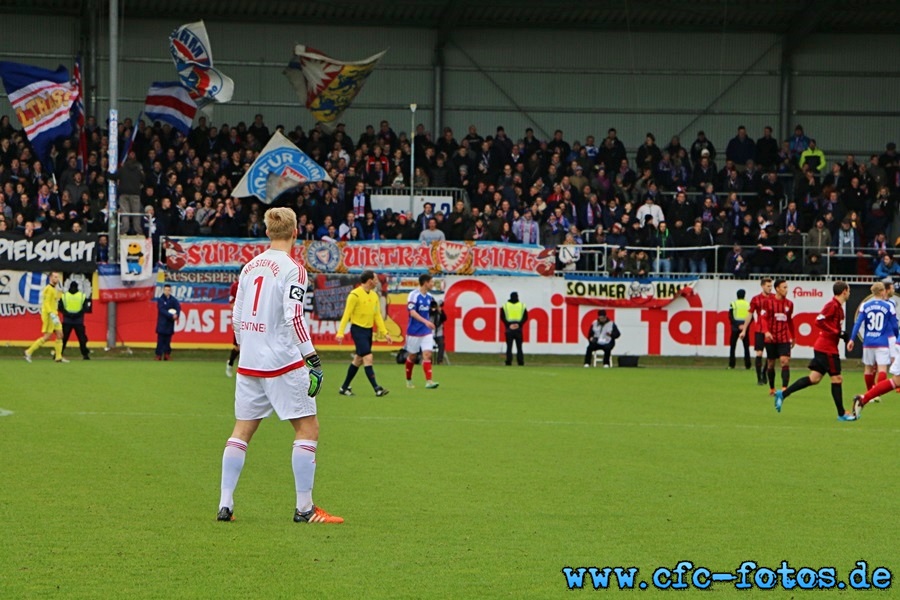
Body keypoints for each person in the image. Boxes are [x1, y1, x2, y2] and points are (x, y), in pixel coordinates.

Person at [218, 206, 342, 524]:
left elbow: (236, 317)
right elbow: (294, 316)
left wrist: (249, 348)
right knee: (307, 428)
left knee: (241, 431)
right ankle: (304, 509)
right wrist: (312, 358)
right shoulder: (293, 269)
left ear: (268, 233)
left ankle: (225, 504)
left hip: (249, 363)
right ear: (296, 232)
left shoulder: (249, 267)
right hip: (282, 364)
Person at [775, 281, 856, 421]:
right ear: (843, 291)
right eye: (848, 290)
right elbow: (818, 321)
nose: (850, 293)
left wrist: (842, 335)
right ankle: (842, 413)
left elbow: (832, 327)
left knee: (814, 378)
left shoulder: (839, 308)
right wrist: (837, 332)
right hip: (827, 348)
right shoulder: (832, 305)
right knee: (837, 378)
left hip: (824, 347)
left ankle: (783, 394)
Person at [336, 270, 391, 397]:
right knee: (368, 357)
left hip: (368, 331)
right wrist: (340, 333)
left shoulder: (374, 296)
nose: (377, 281)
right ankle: (377, 388)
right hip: (358, 330)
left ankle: (344, 387)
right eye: (376, 279)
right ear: (370, 280)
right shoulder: (354, 295)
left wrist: (385, 332)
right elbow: (346, 315)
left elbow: (377, 316)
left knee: (358, 360)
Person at [848, 280, 898, 404]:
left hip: (868, 341)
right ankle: (876, 393)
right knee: (882, 369)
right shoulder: (888, 306)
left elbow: (858, 323)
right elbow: (895, 325)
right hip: (882, 342)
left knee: (868, 369)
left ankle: (869, 393)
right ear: (882, 291)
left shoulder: (865, 305)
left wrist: (852, 339)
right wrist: (897, 337)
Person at [759, 279, 795, 396]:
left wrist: (793, 337)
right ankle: (772, 388)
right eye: (784, 287)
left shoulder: (789, 304)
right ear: (777, 289)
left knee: (785, 361)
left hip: (784, 338)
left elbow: (789, 321)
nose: (786, 290)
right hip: (771, 338)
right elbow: (763, 318)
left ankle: (784, 388)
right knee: (770, 363)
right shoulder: (768, 302)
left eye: (787, 287)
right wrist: (766, 332)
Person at [404, 274, 440, 389]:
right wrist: (426, 321)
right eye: (431, 282)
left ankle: (429, 381)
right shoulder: (413, 295)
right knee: (412, 356)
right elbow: (412, 313)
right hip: (413, 331)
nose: (432, 284)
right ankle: (408, 379)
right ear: (425, 283)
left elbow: (431, 310)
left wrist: (435, 310)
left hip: (426, 331)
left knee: (427, 354)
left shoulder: (429, 297)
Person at [24, 272, 67, 363]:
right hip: (49, 315)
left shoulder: (54, 289)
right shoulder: (48, 289)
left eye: (58, 277)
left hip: (54, 315)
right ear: (50, 278)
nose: (57, 279)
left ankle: (58, 357)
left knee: (60, 335)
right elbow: (46, 303)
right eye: (55, 277)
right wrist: (51, 314)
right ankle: (28, 351)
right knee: (47, 337)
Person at [739, 277, 773, 386]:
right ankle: (759, 378)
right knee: (759, 353)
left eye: (771, 286)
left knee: (770, 355)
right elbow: (750, 314)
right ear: (762, 286)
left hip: (771, 330)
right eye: (768, 286)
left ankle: (764, 372)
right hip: (759, 329)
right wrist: (744, 330)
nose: (770, 288)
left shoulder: (774, 298)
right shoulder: (756, 299)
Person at [60, 280, 91, 360]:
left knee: (63, 339)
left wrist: (68, 314)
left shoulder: (64, 296)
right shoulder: (82, 296)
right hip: (78, 320)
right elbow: (85, 308)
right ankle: (85, 355)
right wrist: (77, 314)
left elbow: (60, 308)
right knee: (82, 339)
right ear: (77, 287)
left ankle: (58, 354)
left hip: (67, 320)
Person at [501, 291, 528, 366]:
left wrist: (509, 324)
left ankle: (508, 361)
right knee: (519, 347)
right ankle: (520, 362)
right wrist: (519, 324)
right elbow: (525, 317)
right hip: (518, 329)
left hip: (509, 329)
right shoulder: (522, 305)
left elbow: (502, 317)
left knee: (509, 347)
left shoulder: (505, 306)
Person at [155, 284, 181, 361]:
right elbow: (162, 310)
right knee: (160, 341)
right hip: (162, 323)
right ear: (163, 290)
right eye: (166, 290)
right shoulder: (161, 300)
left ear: (170, 291)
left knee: (168, 341)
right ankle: (158, 355)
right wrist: (171, 315)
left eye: (168, 290)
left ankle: (167, 355)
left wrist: (177, 315)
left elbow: (178, 308)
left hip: (169, 324)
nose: (167, 291)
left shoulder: (173, 300)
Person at [728, 289, 751, 370]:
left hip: (735, 327)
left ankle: (731, 365)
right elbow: (751, 318)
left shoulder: (733, 303)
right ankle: (748, 365)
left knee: (733, 347)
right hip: (745, 327)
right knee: (746, 347)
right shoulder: (748, 304)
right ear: (744, 295)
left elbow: (730, 316)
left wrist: (738, 325)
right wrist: (744, 326)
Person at [225, 274, 240, 377]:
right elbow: (231, 304)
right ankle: (230, 363)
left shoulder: (252, 284)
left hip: (251, 320)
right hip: (239, 320)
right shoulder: (235, 286)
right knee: (238, 347)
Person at [431, 299, 447, 365]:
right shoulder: (430, 311)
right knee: (427, 345)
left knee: (441, 344)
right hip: (430, 332)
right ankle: (428, 360)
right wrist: (434, 309)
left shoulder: (441, 312)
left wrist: (440, 312)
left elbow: (445, 318)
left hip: (439, 332)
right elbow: (430, 313)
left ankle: (440, 360)